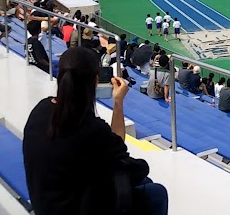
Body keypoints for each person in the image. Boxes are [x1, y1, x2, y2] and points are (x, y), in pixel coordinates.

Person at [23, 47, 168, 215]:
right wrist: (118, 102)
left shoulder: (40, 109)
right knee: (157, 193)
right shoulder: (91, 128)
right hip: (74, 207)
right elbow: (125, 158)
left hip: (46, 204)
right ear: (95, 80)